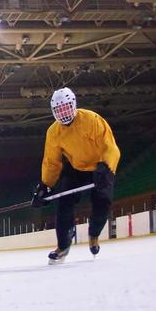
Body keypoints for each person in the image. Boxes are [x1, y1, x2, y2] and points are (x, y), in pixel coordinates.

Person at [31, 87, 120, 263]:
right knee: (63, 205)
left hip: (100, 168)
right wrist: (45, 186)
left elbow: (110, 147)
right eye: (59, 110)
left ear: (74, 105)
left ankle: (93, 234)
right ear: (53, 111)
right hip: (76, 169)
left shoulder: (91, 120)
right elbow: (52, 162)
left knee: (103, 204)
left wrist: (106, 167)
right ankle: (63, 246)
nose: (63, 113)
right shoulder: (53, 132)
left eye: (66, 107)